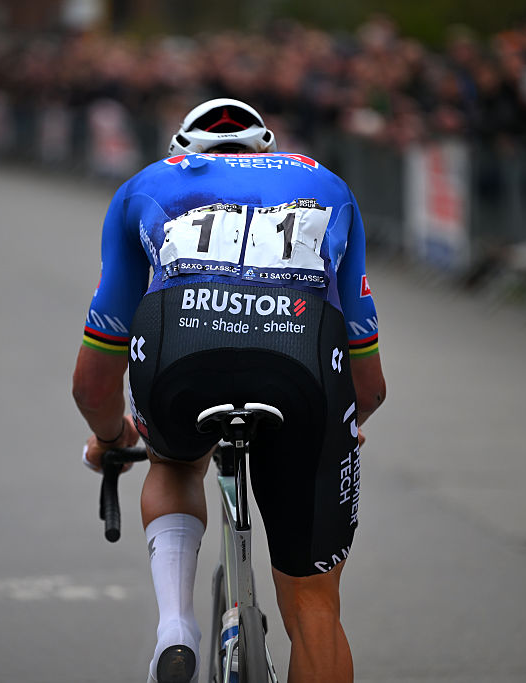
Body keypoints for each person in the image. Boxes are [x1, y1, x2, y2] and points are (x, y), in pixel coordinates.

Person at [72, 98, 386, 683]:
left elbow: (93, 379)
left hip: (180, 360)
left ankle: (175, 628)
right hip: (304, 366)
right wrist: (342, 424)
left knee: (172, 458)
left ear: (180, 148)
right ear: (266, 147)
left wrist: (111, 436)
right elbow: (368, 382)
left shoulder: (148, 185)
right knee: (315, 606)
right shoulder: (324, 182)